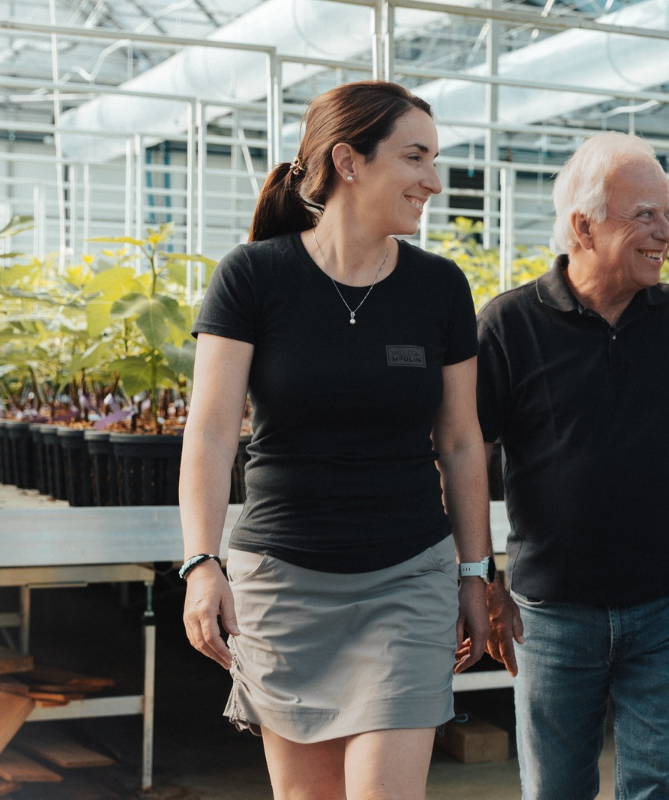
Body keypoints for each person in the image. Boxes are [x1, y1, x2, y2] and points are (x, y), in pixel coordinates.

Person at [178, 80, 492, 800]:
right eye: (415, 158)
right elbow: (212, 431)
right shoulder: (253, 277)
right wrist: (201, 561)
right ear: (349, 161)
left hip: (409, 579)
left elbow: (463, 442)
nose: (433, 182)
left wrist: (475, 572)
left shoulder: (439, 287)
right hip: (283, 585)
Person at [475, 132, 669, 800]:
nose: (665, 232)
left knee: (654, 787)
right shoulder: (508, 327)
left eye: (667, 214)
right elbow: (464, 459)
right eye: (645, 215)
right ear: (582, 227)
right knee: (556, 791)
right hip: (551, 614)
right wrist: (482, 578)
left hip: (668, 604)